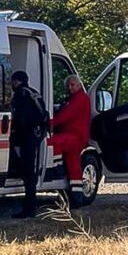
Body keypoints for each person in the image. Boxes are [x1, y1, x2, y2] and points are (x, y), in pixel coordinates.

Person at [10, 70, 49, 218]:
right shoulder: (34, 92)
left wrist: (15, 136)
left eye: (12, 82)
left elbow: (20, 118)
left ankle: (29, 207)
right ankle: (30, 205)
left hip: (26, 136)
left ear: (16, 81)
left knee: (27, 172)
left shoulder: (21, 94)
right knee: (30, 169)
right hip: (36, 135)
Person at [49, 75, 91, 206]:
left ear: (79, 85)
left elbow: (67, 115)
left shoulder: (80, 98)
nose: (70, 87)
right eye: (68, 85)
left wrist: (50, 123)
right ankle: (76, 198)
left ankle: (57, 168)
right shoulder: (74, 98)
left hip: (75, 136)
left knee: (52, 142)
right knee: (74, 169)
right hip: (75, 137)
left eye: (72, 85)